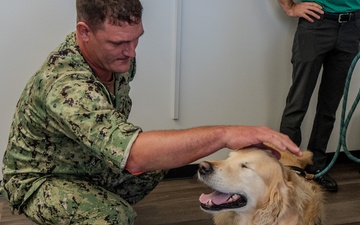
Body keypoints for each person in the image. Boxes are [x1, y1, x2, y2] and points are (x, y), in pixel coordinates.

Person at [1, 0, 300, 224]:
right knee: (116, 216)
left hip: (85, 163)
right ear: (84, 32)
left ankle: (89, 204)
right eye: (119, 43)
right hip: (41, 179)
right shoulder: (66, 85)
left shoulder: (116, 60)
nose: (131, 53)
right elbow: (133, 154)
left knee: (156, 166)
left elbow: (137, 155)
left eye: (137, 38)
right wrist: (226, 134)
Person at [278, 0, 360, 192]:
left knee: (329, 106)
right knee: (297, 103)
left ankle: (317, 167)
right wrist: (289, 7)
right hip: (316, 24)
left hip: (352, 27)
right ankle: (288, 168)